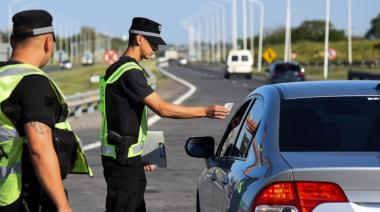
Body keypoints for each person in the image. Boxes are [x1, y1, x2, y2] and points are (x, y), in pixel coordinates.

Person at [99, 17, 229, 212]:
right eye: (153, 43)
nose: (156, 49)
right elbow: (162, 108)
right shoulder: (130, 72)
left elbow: (128, 115)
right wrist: (205, 111)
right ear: (139, 39)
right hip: (123, 161)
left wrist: (143, 153)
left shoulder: (117, 68)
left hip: (126, 157)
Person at [0, 10, 91, 212]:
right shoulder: (33, 83)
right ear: (49, 42)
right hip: (19, 197)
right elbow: (39, 149)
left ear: (13, 41)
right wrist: (62, 206)